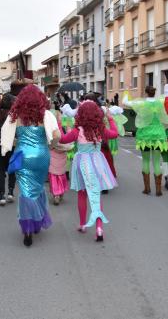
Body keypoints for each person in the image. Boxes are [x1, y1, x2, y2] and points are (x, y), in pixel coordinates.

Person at [1, 85, 60, 246]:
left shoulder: (15, 115)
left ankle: (27, 228)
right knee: (38, 187)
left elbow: (6, 136)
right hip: (42, 156)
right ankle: (37, 221)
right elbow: (56, 136)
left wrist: (17, 143)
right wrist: (51, 146)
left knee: (26, 191)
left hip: (23, 156)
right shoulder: (46, 115)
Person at [57, 101, 118, 242]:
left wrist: (60, 125)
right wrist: (110, 118)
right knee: (96, 194)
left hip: (82, 163)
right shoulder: (101, 129)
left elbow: (63, 139)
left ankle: (83, 224)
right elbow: (114, 134)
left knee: (82, 194)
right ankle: (99, 228)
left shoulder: (78, 130)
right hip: (98, 163)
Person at [123, 86, 168, 196]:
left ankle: (147, 188)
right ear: (155, 93)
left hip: (144, 136)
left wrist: (127, 90)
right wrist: (167, 91)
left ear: (146, 93)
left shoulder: (142, 104)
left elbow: (125, 102)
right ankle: (158, 190)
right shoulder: (161, 101)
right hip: (158, 136)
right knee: (156, 161)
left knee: (145, 161)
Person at [48, 110, 72, 205]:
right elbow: (69, 139)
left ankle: (56, 194)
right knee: (61, 174)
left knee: (53, 175)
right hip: (62, 154)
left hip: (53, 153)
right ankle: (61, 191)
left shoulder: (50, 130)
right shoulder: (63, 128)